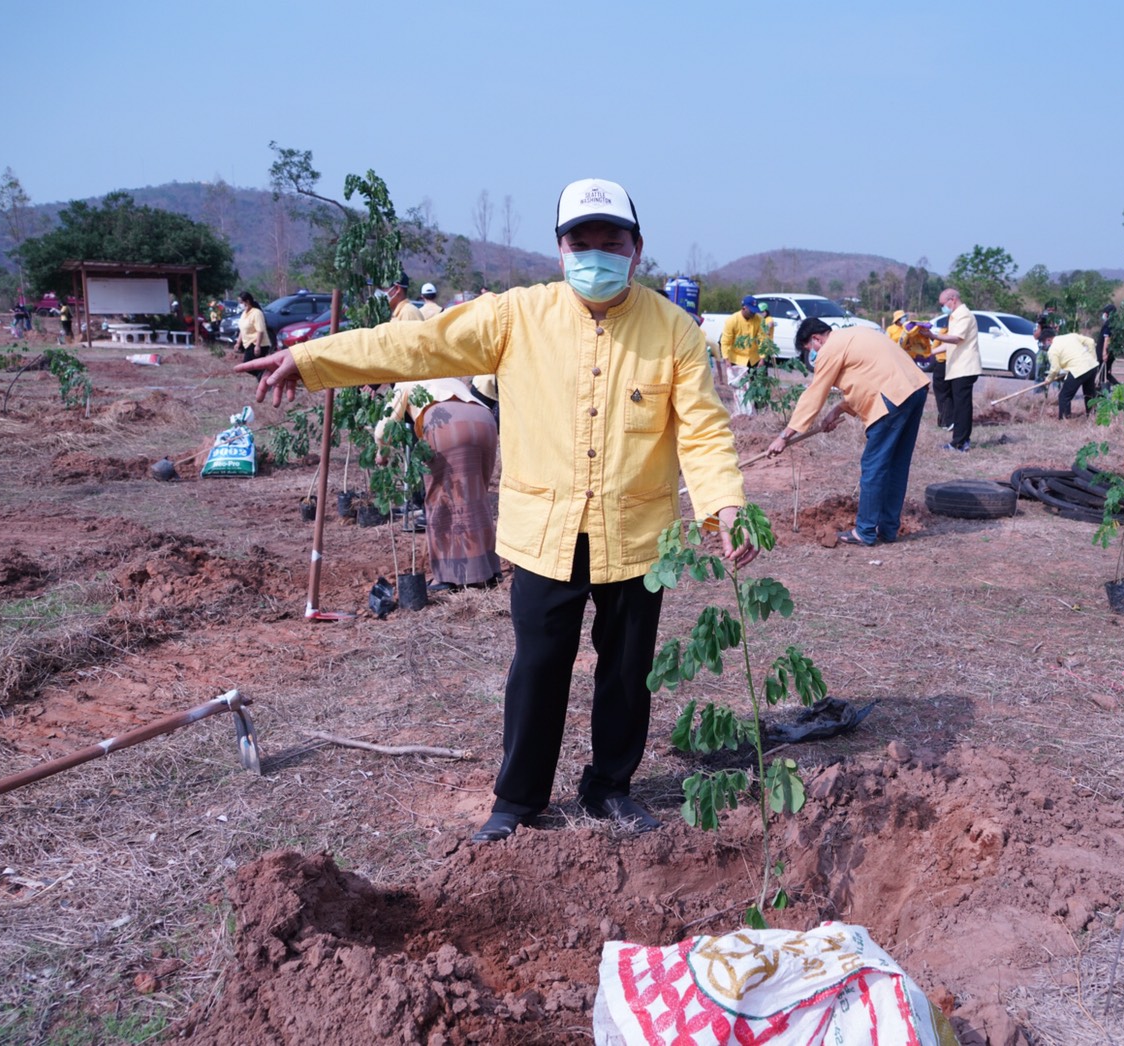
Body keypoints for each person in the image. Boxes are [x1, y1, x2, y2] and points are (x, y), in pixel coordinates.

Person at [237, 177, 754, 844]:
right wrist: (310, 358)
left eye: (610, 241)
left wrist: (724, 506)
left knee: (627, 672)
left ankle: (611, 788)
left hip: (638, 534)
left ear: (636, 248)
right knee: (538, 667)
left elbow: (703, 430)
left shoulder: (674, 331)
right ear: (560, 250)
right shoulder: (517, 316)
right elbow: (410, 347)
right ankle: (518, 800)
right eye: (581, 242)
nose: (595, 253)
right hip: (546, 532)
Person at [769, 319, 929, 546]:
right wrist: (837, 410)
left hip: (893, 397)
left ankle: (865, 531)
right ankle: (888, 529)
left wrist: (785, 436)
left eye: (810, 349)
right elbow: (868, 377)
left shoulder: (829, 348)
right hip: (915, 389)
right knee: (896, 465)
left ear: (816, 338)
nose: (813, 354)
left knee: (874, 465)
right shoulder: (855, 334)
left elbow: (815, 393)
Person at [376, 377, 502, 590]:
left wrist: (382, 452)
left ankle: (447, 577)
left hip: (444, 422)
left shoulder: (405, 383)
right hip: (485, 421)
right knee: (476, 496)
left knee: (440, 498)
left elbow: (384, 428)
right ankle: (489, 571)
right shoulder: (447, 377)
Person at [930, 288, 979, 451]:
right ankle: (959, 440)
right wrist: (930, 352)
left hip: (964, 367)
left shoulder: (964, 315)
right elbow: (949, 342)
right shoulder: (955, 316)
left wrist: (934, 336)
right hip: (957, 367)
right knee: (959, 406)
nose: (942, 307)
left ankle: (960, 443)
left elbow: (956, 339)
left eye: (943, 304)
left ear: (952, 299)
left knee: (962, 407)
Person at [719, 295, 772, 416]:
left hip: (755, 358)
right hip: (737, 359)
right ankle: (743, 412)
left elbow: (763, 339)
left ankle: (761, 412)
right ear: (744, 308)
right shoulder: (732, 320)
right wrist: (727, 360)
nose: (753, 314)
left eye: (755, 311)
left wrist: (763, 358)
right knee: (741, 388)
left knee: (760, 385)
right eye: (751, 311)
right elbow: (725, 341)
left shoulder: (759, 320)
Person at [1040, 327, 1100, 419]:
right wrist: (1092, 359)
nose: (1044, 345)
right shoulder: (1071, 336)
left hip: (1079, 370)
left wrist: (1048, 379)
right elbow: (1091, 341)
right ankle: (1094, 417)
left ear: (1048, 340)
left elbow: (1055, 369)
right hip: (1092, 367)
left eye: (1044, 343)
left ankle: (1065, 420)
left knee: (1064, 396)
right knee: (1089, 394)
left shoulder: (1052, 350)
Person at [234, 292, 271, 364]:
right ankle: (264, 374)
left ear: (247, 301)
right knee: (252, 366)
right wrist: (238, 343)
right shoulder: (244, 313)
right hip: (248, 344)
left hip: (258, 344)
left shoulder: (256, 313)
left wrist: (257, 346)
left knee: (249, 365)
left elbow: (260, 330)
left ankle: (267, 373)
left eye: (241, 302)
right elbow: (242, 330)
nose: (240, 305)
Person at [1096, 303, 1121, 386]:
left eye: (1105, 313)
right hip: (1110, 353)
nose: (1104, 315)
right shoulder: (1116, 324)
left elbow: (1107, 339)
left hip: (1105, 353)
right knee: (1105, 374)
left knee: (1102, 373)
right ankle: (1117, 388)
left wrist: (1104, 353)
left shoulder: (1108, 324)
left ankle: (1118, 388)